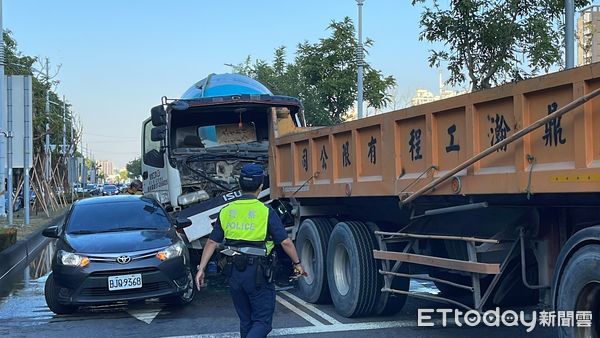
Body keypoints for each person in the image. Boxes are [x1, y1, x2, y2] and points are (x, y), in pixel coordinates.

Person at [195, 163, 305, 338]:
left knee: (246, 321)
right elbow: (285, 242)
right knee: (262, 322)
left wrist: (201, 269)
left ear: (239, 185)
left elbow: (211, 242)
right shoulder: (265, 211)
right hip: (258, 275)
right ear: (261, 186)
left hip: (233, 273)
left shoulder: (226, 210)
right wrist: (297, 263)